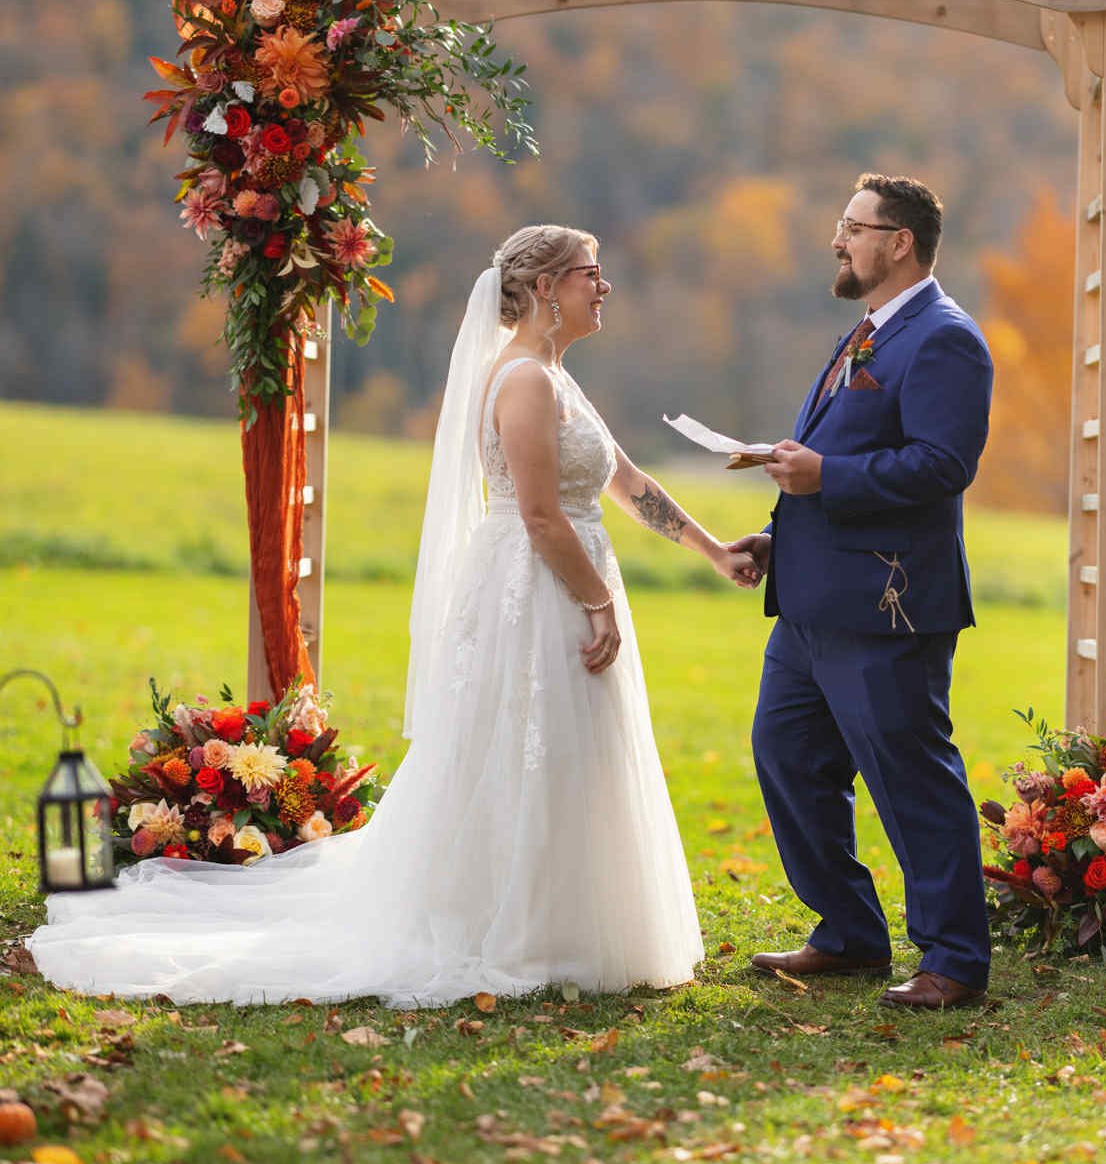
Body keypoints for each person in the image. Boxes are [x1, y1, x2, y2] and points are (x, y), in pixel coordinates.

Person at [30, 225, 753, 1006]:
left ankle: (568, 919)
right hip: (535, 588)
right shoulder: (524, 382)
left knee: (573, 750)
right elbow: (541, 515)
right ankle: (511, 924)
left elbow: (625, 479)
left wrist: (713, 549)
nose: (603, 287)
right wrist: (598, 601)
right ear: (546, 287)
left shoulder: (556, 376)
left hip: (564, 579)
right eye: (590, 274)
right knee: (526, 746)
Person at [727, 175, 995, 1012]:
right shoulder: (868, 333)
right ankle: (847, 933)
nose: (837, 240)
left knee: (911, 778)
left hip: (888, 605)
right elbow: (846, 452)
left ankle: (954, 960)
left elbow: (944, 465)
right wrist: (784, 532)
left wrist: (824, 476)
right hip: (810, 605)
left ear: (900, 242)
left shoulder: (946, 339)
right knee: (788, 758)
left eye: (853, 226)